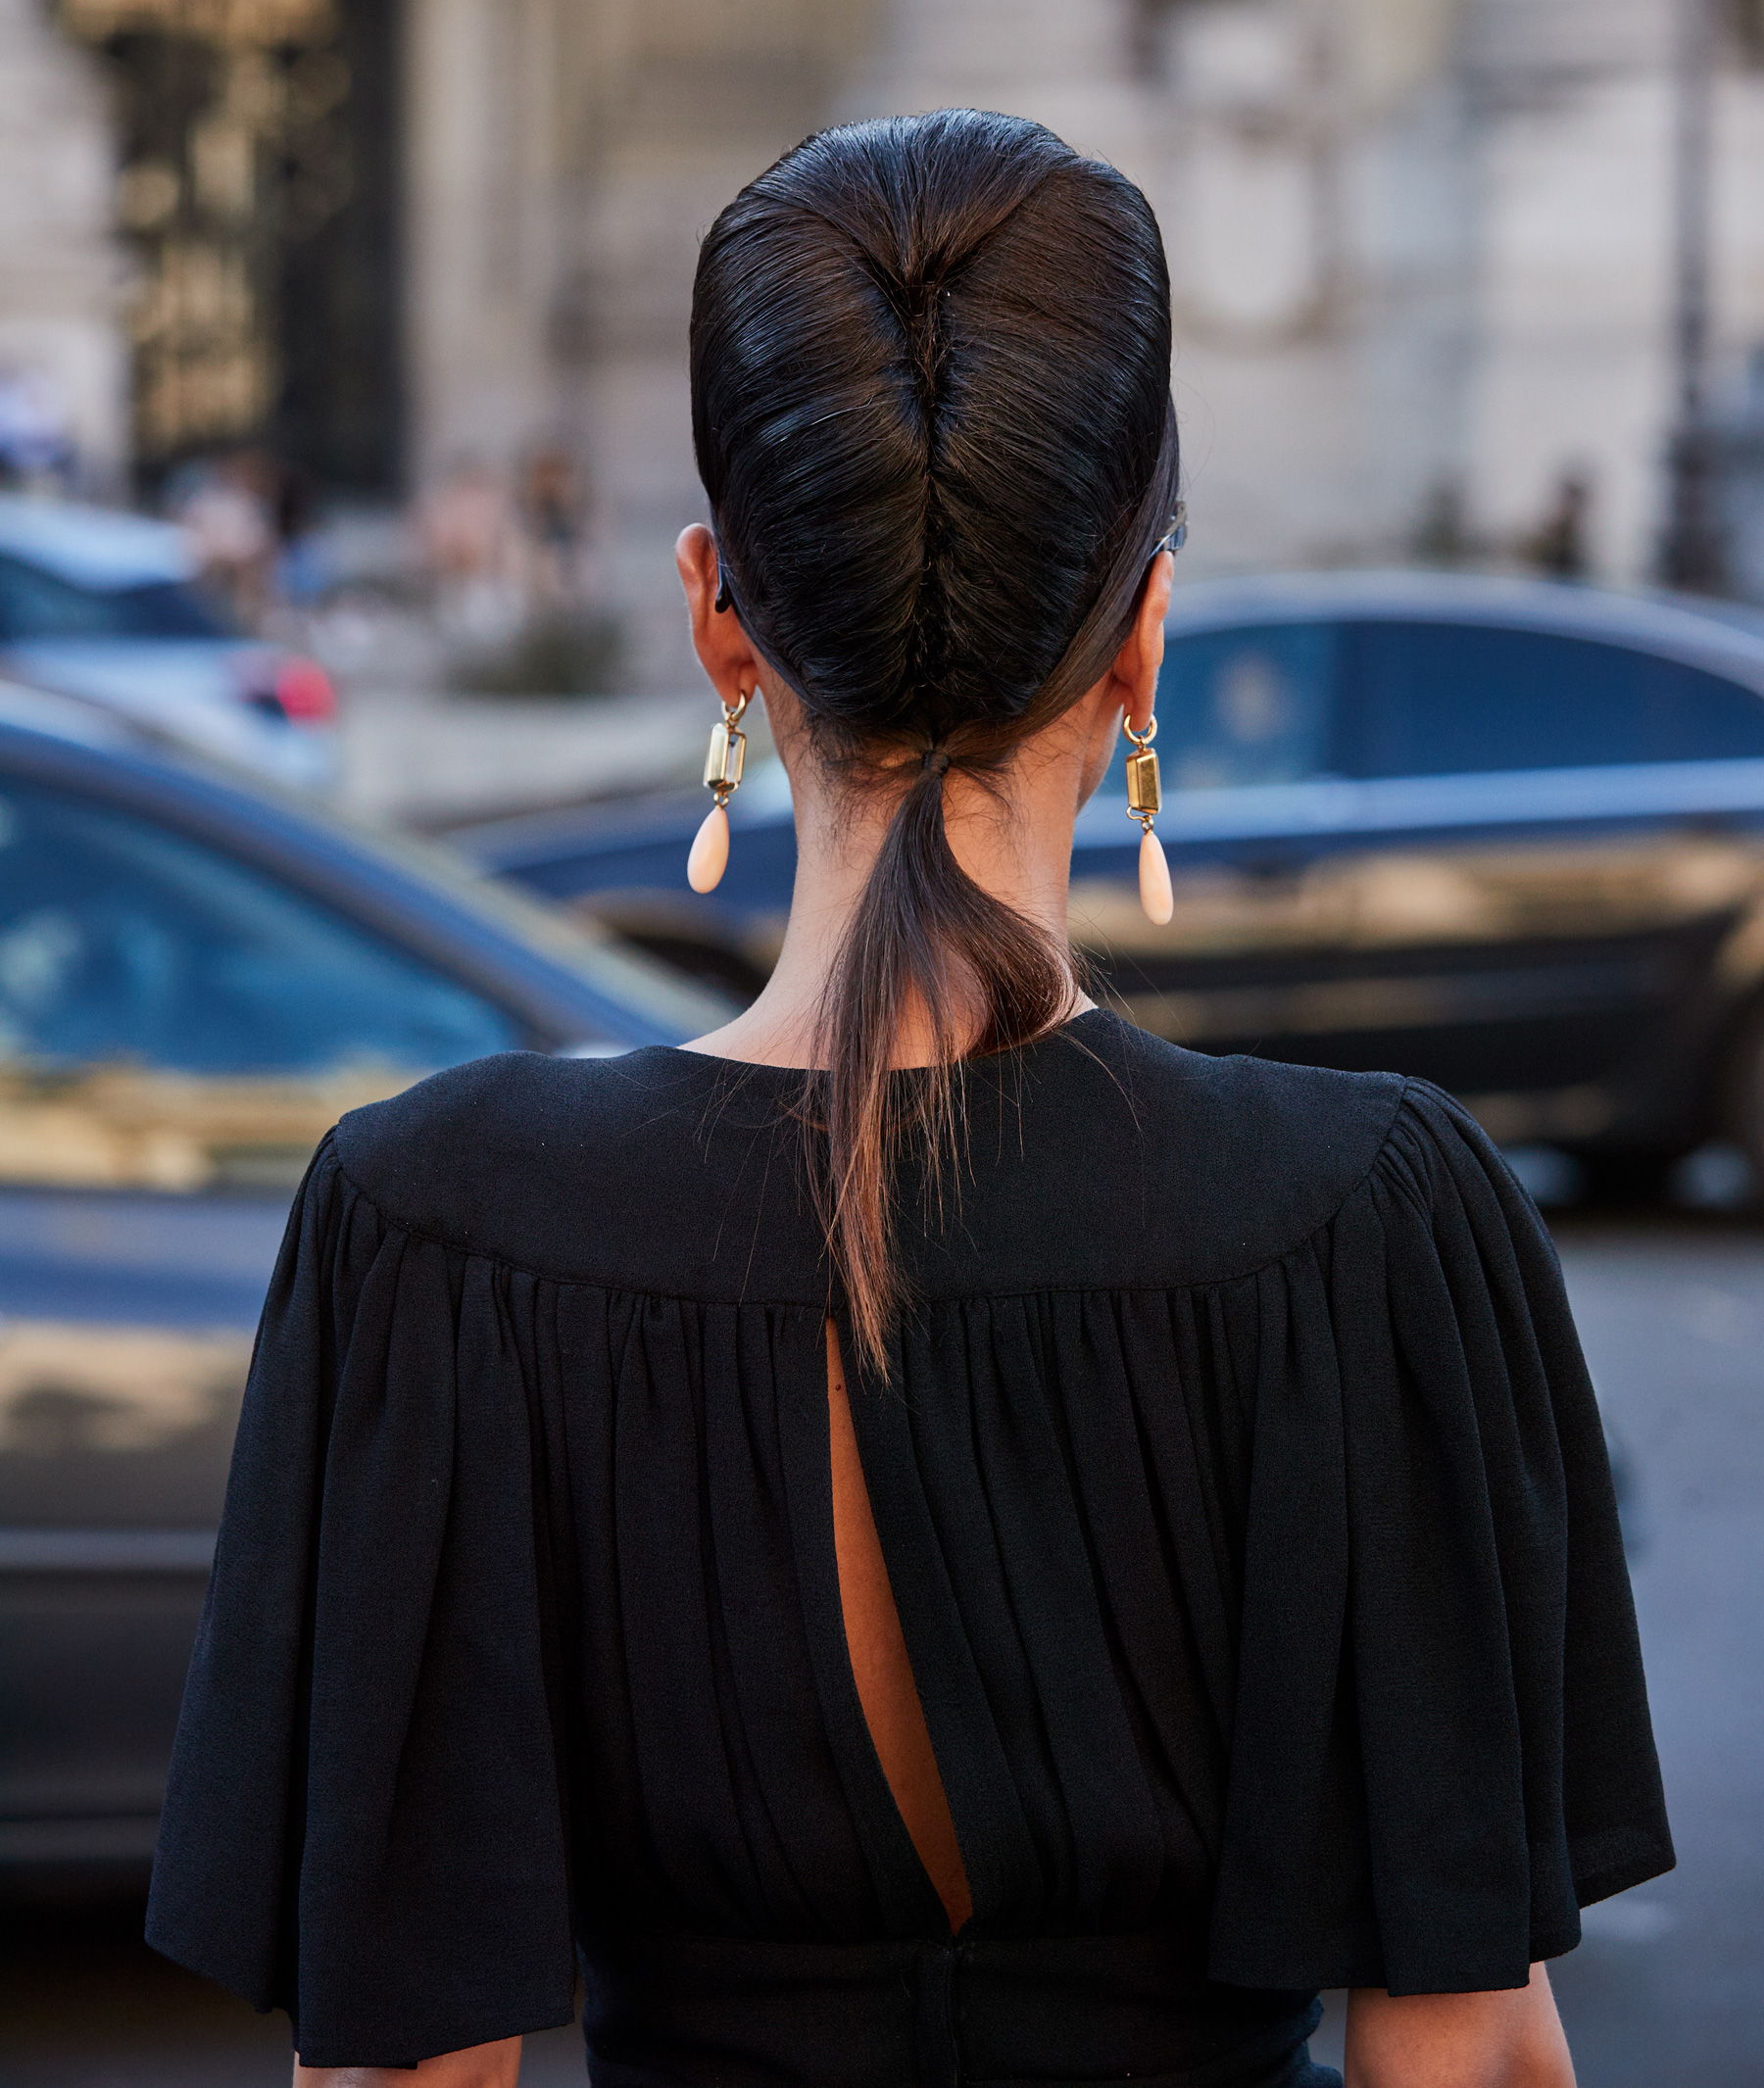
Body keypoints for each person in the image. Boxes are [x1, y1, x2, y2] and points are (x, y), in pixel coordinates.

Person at [145, 113, 1673, 2088]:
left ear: (717, 615)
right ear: (1144, 643)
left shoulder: (432, 1232)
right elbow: (1460, 2052)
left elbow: (398, 2073)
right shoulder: (1379, 1220)